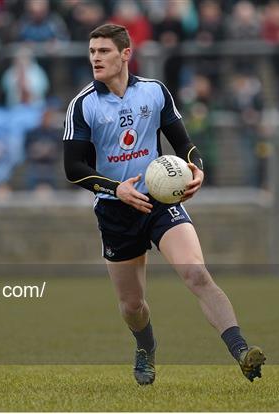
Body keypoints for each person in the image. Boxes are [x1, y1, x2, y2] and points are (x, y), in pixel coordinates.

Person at [63, 23, 265, 386]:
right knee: (132, 306)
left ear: (126, 54)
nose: (96, 58)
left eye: (104, 51)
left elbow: (183, 143)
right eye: (92, 51)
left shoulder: (154, 93)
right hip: (115, 209)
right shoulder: (84, 105)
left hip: (159, 201)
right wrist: (115, 188)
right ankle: (146, 347)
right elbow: (73, 168)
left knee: (197, 274)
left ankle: (241, 350)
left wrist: (196, 169)